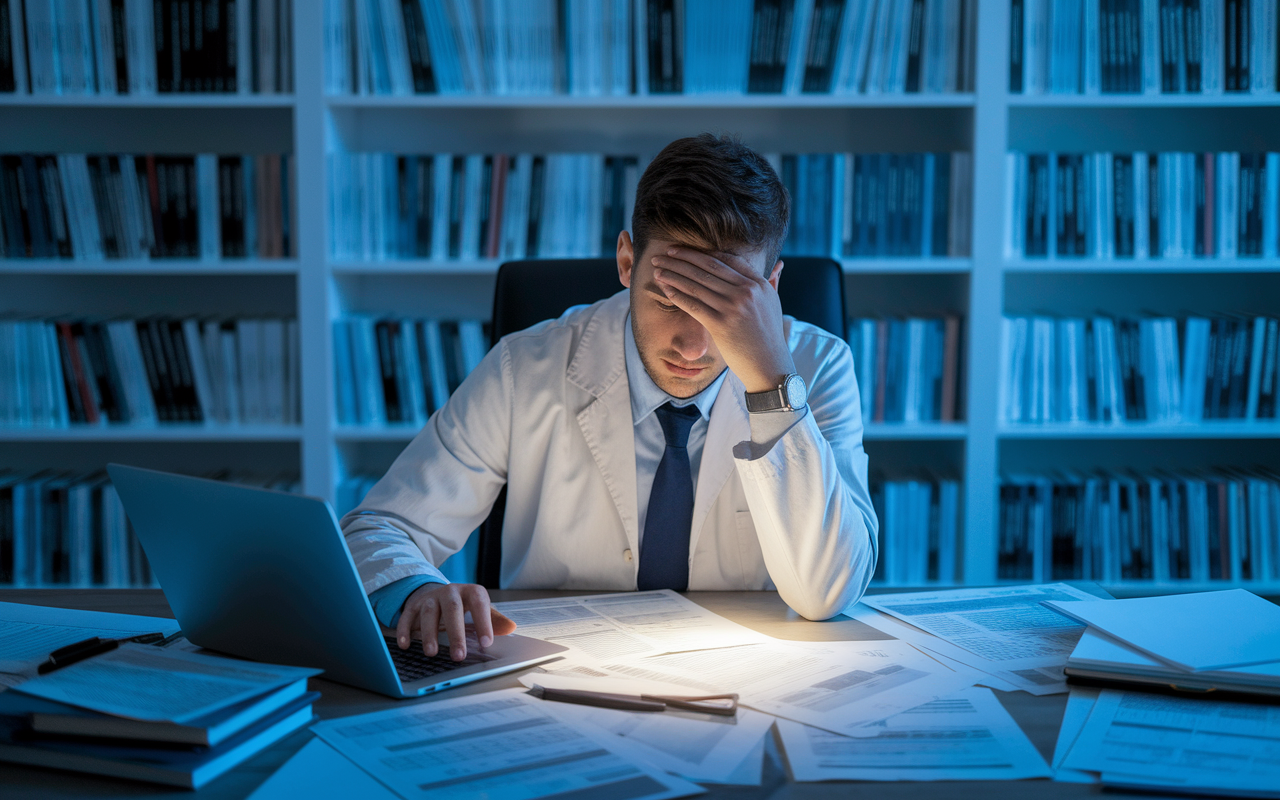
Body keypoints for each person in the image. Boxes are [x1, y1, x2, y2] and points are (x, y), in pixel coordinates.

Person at [342, 134, 878, 662]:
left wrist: (770, 386)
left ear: (771, 287)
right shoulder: (524, 366)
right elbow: (381, 529)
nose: (692, 345)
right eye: (669, 299)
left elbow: (826, 592)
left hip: (755, 675)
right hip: (559, 678)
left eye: (726, 308)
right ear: (626, 261)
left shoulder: (815, 366)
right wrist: (413, 590)